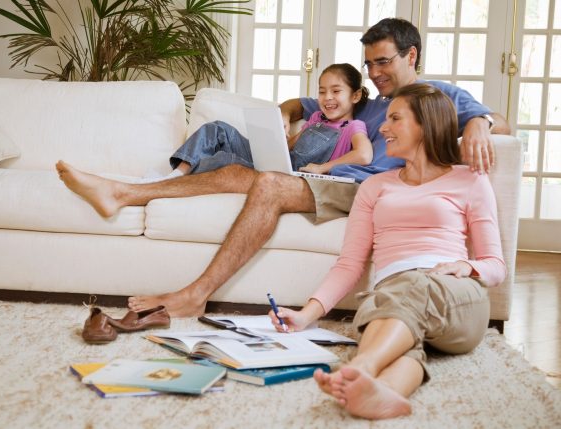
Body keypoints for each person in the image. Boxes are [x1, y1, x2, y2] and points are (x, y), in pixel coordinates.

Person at [56, 18, 510, 317]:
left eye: (383, 61)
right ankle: (123, 192)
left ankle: (195, 293)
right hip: (331, 179)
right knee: (237, 173)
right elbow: (304, 102)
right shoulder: (367, 103)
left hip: (368, 189)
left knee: (270, 185)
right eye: (369, 63)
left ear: (412, 56)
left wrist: (481, 124)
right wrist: (286, 115)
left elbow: (501, 121)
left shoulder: (438, 95)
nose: (373, 72)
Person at [268, 83, 506, 419]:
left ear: (425, 124)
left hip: (455, 296)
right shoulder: (374, 186)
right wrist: (305, 315)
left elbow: (495, 265)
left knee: (412, 287)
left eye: (395, 118)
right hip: (392, 298)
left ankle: (361, 365)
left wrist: (466, 267)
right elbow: (349, 264)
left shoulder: (470, 180)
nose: (382, 127)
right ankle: (385, 393)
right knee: (387, 307)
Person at [142, 63, 373, 183]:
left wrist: (322, 168)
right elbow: (293, 148)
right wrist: (277, 140)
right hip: (273, 160)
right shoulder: (316, 118)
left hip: (286, 175)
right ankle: (175, 175)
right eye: (322, 92)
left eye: (336, 91)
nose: (327, 98)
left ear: (354, 96)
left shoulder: (353, 127)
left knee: (224, 160)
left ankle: (171, 181)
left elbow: (364, 155)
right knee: (217, 128)